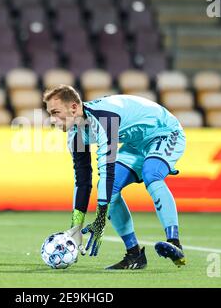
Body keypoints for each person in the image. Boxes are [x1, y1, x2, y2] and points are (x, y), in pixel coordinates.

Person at [43, 85, 186, 269]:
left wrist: (101, 219)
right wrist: (76, 226)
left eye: (55, 112)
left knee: (152, 174)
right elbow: (83, 180)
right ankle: (134, 254)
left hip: (164, 133)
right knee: (111, 192)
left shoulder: (103, 119)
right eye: (49, 114)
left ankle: (174, 243)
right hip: (135, 144)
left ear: (73, 107)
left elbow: (107, 171)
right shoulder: (75, 134)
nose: (52, 120)